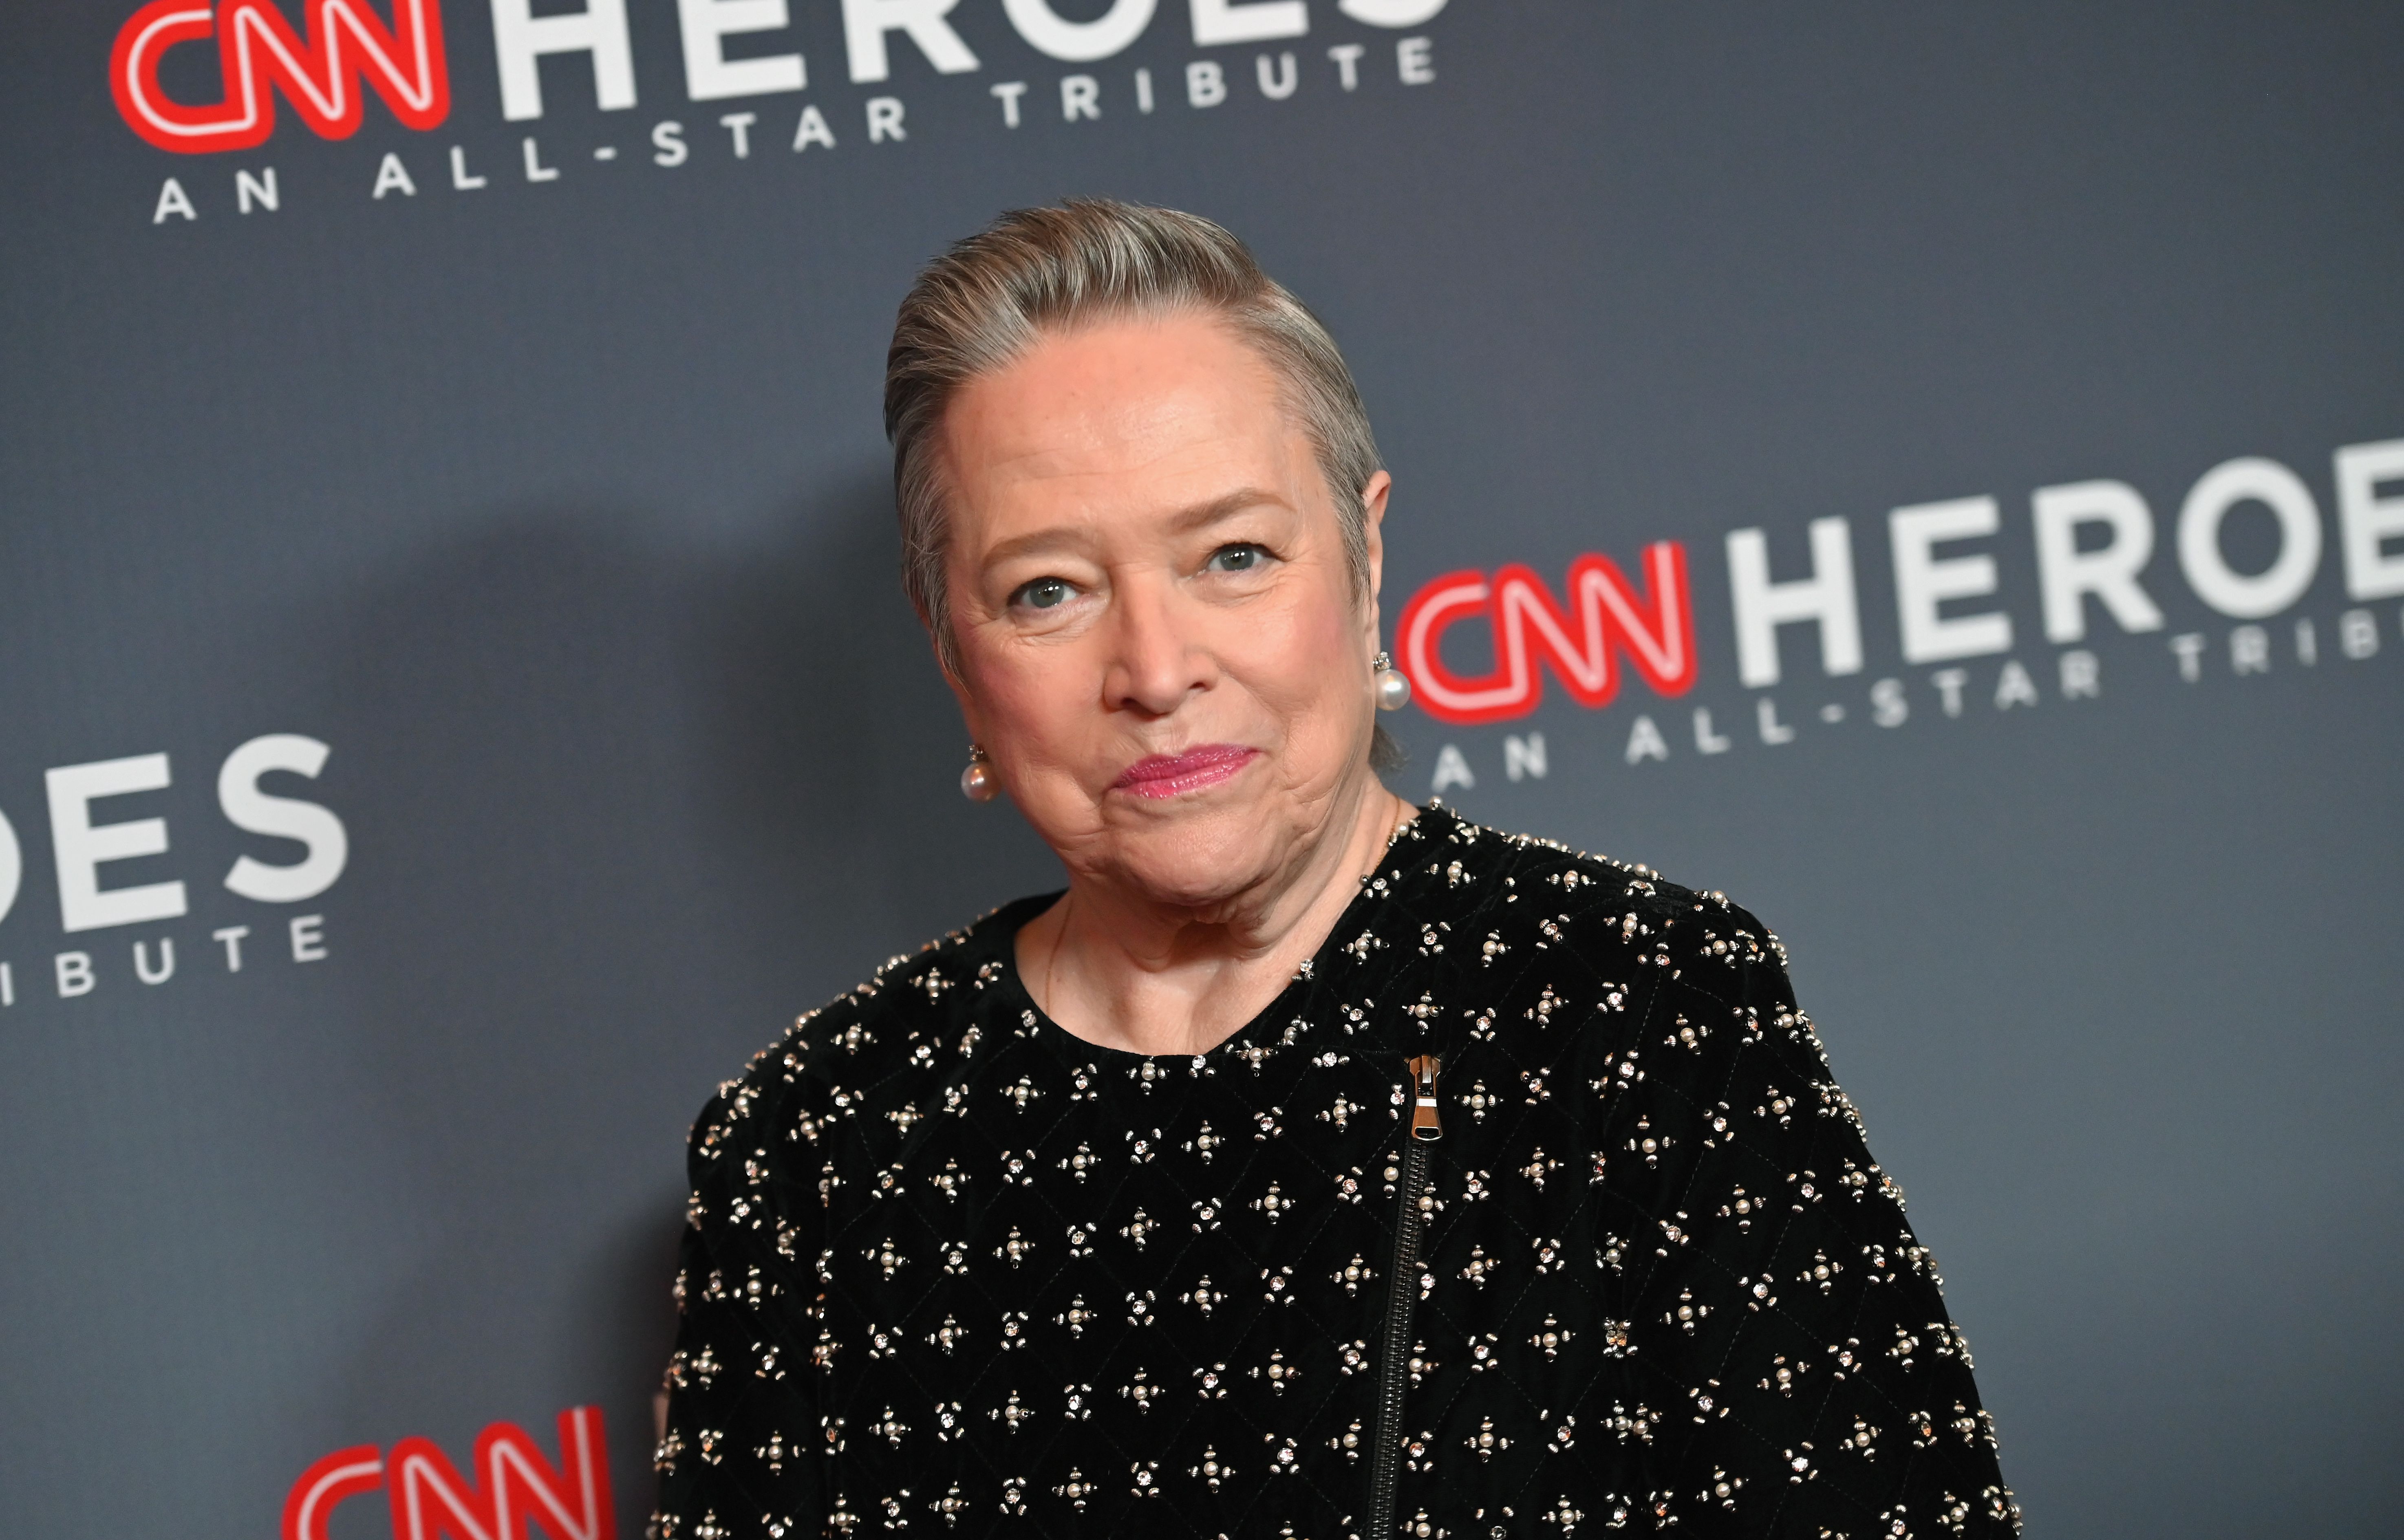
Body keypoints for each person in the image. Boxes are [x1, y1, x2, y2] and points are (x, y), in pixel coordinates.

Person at [651, 200, 2017, 1540]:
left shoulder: (1630, 1008)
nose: (1157, 669)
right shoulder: (819, 1153)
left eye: (1232, 555)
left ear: (1364, 557)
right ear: (953, 652)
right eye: (1048, 590)